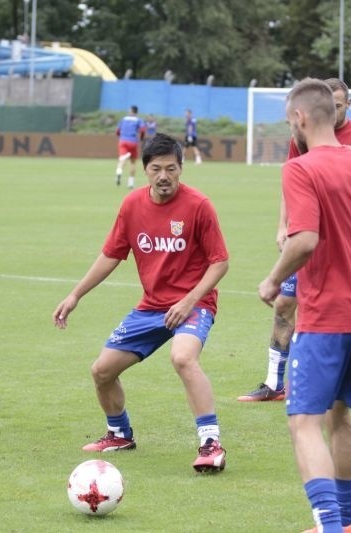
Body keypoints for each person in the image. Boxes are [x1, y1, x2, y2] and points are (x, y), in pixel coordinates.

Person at [258, 78, 351, 533]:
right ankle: (348, 523)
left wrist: (273, 279)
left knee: (303, 422)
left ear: (300, 118)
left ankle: (327, 525)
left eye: (290, 121)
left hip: (326, 318)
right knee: (339, 417)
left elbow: (304, 239)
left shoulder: (301, 168)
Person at [53, 133, 229, 473]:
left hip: (194, 304)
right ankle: (120, 434)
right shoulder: (132, 205)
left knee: (183, 358)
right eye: (156, 169)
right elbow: (111, 255)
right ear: (146, 169)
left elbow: (220, 262)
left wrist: (188, 300)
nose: (164, 176)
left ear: (181, 168)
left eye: (171, 169)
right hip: (151, 307)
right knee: (101, 371)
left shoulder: (198, 206)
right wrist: (75, 295)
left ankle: (211, 444)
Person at [239, 77, 351, 402]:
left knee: (327, 311)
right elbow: (293, 183)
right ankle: (274, 382)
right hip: (306, 235)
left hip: (339, 247)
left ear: (348, 105)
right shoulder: (302, 137)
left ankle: (326, 381)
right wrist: (283, 226)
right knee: (285, 303)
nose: (333, 110)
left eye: (339, 105)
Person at [115, 105, 145, 189]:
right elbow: (143, 130)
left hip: (123, 141)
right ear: (136, 112)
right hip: (133, 142)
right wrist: (141, 138)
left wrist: (119, 136)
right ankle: (131, 182)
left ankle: (119, 171)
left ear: (130, 111)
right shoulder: (138, 120)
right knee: (133, 162)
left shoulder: (123, 119)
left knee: (122, 159)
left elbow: (117, 130)